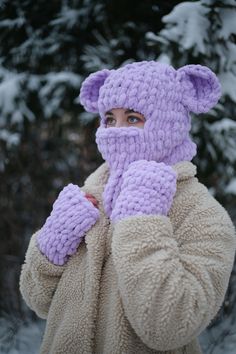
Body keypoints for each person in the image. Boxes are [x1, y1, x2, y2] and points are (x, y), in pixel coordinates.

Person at [19, 61, 236, 354]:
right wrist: (52, 244)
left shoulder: (201, 214)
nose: (116, 131)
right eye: (109, 119)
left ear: (168, 122)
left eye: (133, 118)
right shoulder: (88, 198)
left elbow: (169, 329)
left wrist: (142, 218)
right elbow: (37, 300)